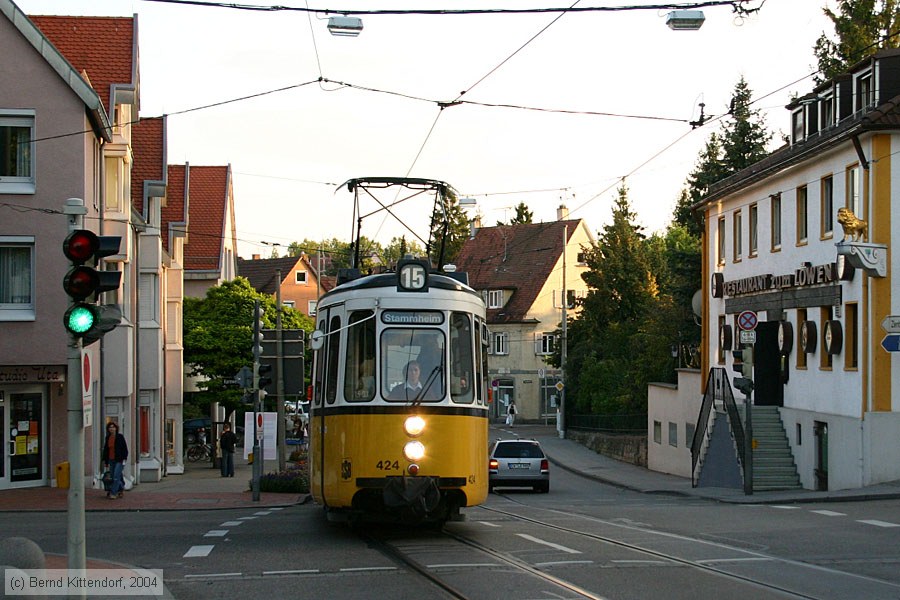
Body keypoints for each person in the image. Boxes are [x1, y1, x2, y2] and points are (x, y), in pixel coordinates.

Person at [101, 421, 128, 499]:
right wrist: (105, 460)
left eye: (113, 427)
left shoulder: (120, 437)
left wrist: (124, 458)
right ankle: (121, 488)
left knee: (116, 476)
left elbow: (124, 449)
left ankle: (113, 493)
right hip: (111, 459)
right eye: (110, 427)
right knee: (114, 476)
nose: (111, 429)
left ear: (116, 428)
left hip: (119, 460)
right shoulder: (108, 438)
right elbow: (106, 449)